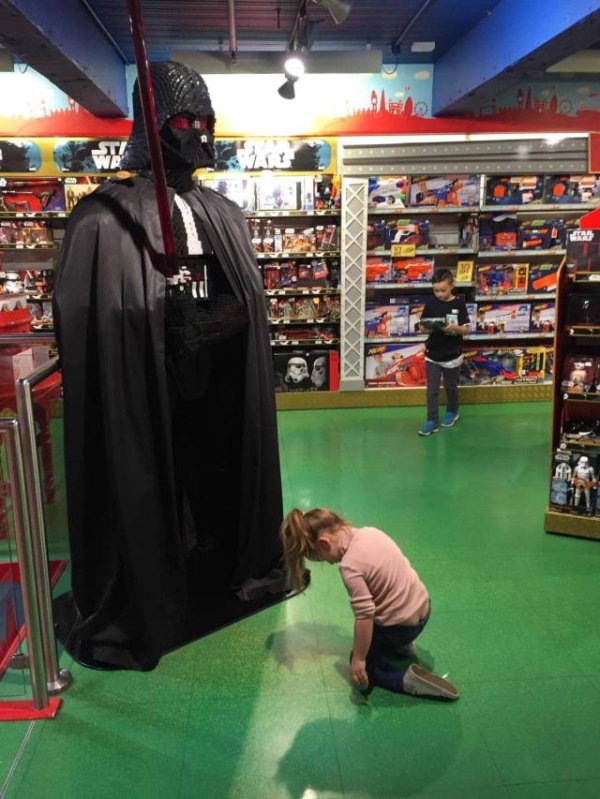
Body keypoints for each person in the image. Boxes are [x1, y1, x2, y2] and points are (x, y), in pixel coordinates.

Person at [53, 62, 286, 671]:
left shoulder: (223, 212)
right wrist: (153, 325)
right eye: (185, 121)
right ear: (155, 125)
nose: (200, 135)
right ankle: (151, 575)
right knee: (150, 467)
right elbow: (97, 310)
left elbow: (243, 300)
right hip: (147, 373)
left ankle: (218, 551)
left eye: (207, 123)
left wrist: (220, 326)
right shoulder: (104, 217)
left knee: (215, 463)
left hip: (214, 367)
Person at [279, 507, 459, 700]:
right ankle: (403, 646)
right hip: (424, 607)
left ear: (324, 544)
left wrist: (358, 659)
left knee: (362, 667)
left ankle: (410, 681)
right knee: (385, 604)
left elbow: (364, 616)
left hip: (401, 628)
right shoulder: (371, 532)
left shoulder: (350, 566)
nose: (326, 562)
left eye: (320, 558)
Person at [418, 268, 470, 436]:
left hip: (452, 355)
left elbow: (466, 330)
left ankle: (452, 410)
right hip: (432, 354)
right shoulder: (431, 304)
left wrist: (454, 328)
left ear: (452, 286)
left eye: (443, 290)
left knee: (450, 386)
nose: (439, 294)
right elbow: (423, 327)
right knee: (431, 389)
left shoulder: (459, 304)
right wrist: (424, 328)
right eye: (436, 290)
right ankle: (431, 420)